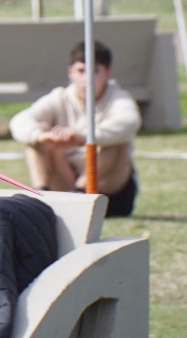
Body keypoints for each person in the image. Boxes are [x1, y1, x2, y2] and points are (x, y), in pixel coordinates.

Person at [9, 40, 141, 216]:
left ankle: (81, 191)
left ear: (108, 74)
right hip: (66, 179)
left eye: (95, 71)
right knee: (36, 141)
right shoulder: (60, 97)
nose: (87, 79)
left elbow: (130, 121)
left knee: (117, 144)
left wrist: (83, 137)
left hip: (110, 192)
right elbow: (20, 120)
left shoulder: (119, 98)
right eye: (81, 71)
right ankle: (41, 196)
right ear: (70, 72)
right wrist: (41, 136)